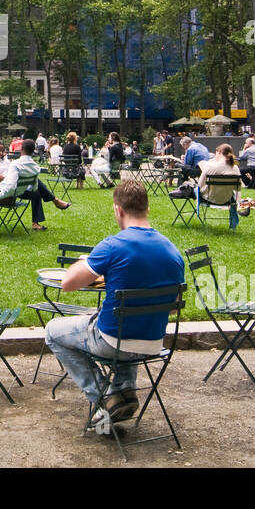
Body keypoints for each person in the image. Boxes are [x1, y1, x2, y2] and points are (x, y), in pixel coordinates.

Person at [44, 180, 185, 429]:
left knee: (53, 331)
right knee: (118, 323)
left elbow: (67, 284)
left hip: (112, 341)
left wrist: (84, 261)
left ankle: (105, 396)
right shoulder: (172, 251)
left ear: (118, 210)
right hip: (153, 342)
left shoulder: (112, 246)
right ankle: (125, 390)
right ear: (147, 208)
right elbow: (173, 307)